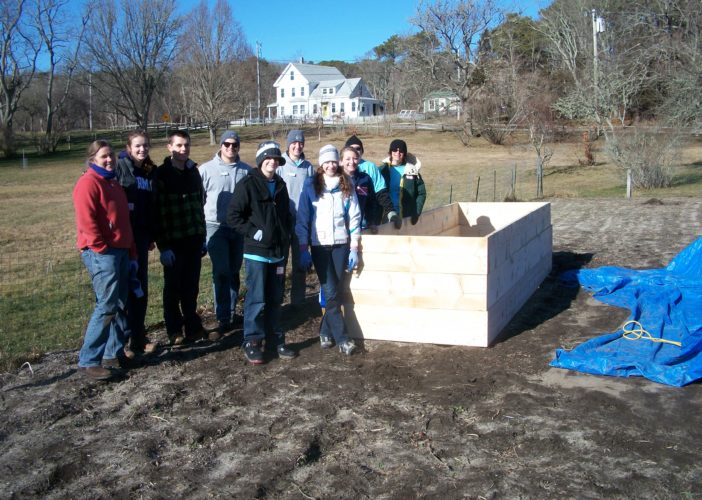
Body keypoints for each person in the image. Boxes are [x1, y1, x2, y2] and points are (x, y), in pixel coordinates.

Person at [228, 141, 296, 365]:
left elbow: (286, 215)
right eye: (268, 158)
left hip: (277, 252)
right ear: (260, 161)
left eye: (276, 159)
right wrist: (254, 233)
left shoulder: (281, 185)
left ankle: (275, 337)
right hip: (257, 252)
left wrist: (285, 234)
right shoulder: (248, 184)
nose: (272, 163)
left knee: (275, 297)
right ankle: (253, 340)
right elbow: (234, 216)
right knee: (256, 298)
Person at [73, 140, 136, 380]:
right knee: (107, 305)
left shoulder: (113, 183)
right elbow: (87, 221)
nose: (109, 160)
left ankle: (113, 352)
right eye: (104, 157)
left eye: (111, 156)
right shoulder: (88, 183)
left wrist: (131, 251)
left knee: (120, 304)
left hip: (120, 251)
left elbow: (122, 221)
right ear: (92, 159)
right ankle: (89, 360)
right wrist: (100, 248)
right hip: (102, 253)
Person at [296, 144, 361, 356]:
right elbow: (303, 219)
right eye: (327, 162)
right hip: (319, 247)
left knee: (337, 290)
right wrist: (303, 247)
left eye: (334, 161)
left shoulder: (347, 185)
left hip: (341, 245)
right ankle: (343, 338)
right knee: (331, 291)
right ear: (321, 164)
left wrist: (354, 246)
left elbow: (354, 216)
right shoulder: (311, 186)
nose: (331, 165)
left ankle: (325, 331)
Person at [152, 130, 206, 346]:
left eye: (186, 145)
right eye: (179, 146)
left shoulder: (193, 172)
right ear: (169, 147)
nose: (183, 149)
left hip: (193, 239)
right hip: (173, 243)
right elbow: (157, 212)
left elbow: (199, 207)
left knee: (191, 287)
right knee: (173, 289)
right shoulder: (162, 174)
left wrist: (202, 237)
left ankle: (193, 327)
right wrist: (163, 247)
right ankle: (174, 331)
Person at [199, 130, 251, 340]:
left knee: (234, 270)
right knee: (221, 271)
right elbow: (198, 198)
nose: (231, 148)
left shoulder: (246, 171)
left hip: (238, 228)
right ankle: (222, 316)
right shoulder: (206, 170)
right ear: (221, 145)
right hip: (215, 226)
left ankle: (230, 313)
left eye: (235, 145)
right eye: (227, 144)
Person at [114, 131, 158, 357]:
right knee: (123, 290)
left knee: (140, 288)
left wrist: (151, 235)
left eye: (145, 146)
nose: (142, 149)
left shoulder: (149, 171)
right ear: (128, 147)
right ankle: (120, 344)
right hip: (122, 238)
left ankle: (138, 339)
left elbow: (151, 205)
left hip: (141, 237)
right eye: (138, 146)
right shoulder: (120, 167)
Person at [276, 129, 314, 307]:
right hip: (283, 223)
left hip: (302, 223)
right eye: (294, 142)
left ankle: (297, 301)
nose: (297, 146)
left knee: (300, 264)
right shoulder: (280, 165)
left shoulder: (308, 167)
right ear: (288, 144)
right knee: (280, 264)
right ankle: (276, 299)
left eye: (300, 143)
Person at [344, 134, 397, 227]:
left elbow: (380, 191)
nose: (355, 151)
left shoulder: (370, 167)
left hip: (366, 221)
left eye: (358, 148)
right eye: (351, 149)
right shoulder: (340, 169)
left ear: (362, 151)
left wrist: (390, 211)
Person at [378, 139, 426, 227]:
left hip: (406, 218)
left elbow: (421, 193)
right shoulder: (382, 171)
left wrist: (416, 212)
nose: (398, 152)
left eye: (401, 151)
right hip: (386, 217)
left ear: (404, 153)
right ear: (390, 152)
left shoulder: (412, 171)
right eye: (395, 150)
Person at [340, 146, 377, 232]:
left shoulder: (365, 179)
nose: (352, 162)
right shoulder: (336, 179)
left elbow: (371, 203)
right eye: (348, 159)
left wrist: (371, 221)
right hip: (339, 230)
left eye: (355, 158)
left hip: (357, 228)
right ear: (341, 161)